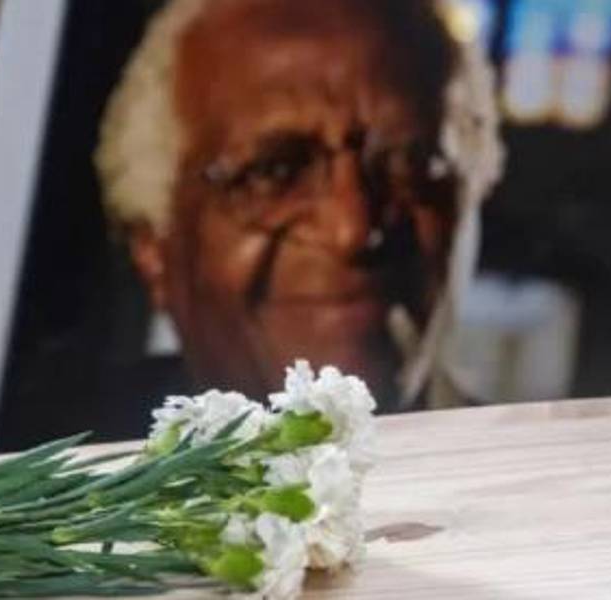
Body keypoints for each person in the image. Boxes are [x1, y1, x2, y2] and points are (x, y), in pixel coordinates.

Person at [96, 0, 503, 408]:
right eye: (274, 172)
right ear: (152, 249)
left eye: (408, 164)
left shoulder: (530, 447)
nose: (351, 229)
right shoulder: (84, 440)